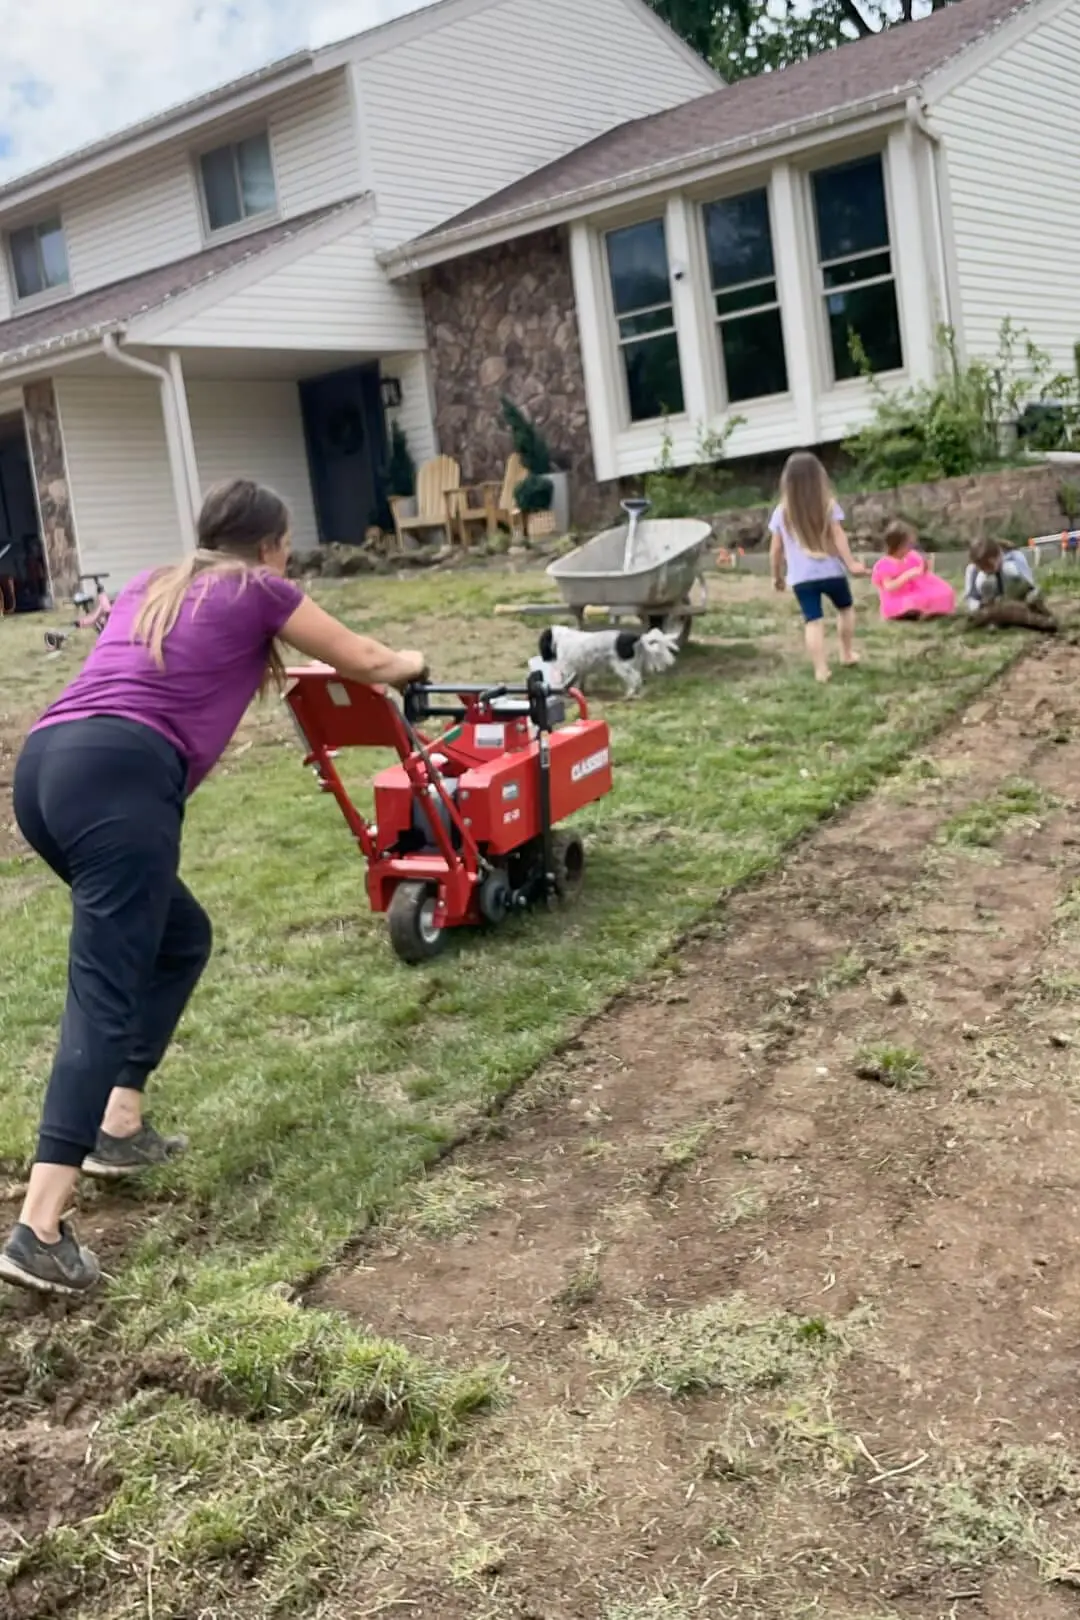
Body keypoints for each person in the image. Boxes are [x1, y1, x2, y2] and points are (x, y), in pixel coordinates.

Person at [1, 479, 427, 1298]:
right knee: (103, 990)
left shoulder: (152, 584)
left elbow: (205, 653)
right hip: (122, 779)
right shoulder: (262, 588)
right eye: (287, 544)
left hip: (49, 767)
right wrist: (414, 663)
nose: (288, 557)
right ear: (269, 545)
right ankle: (39, 1228)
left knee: (178, 937)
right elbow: (369, 661)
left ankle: (118, 1123)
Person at [769, 451, 869, 682]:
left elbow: (775, 550)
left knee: (813, 621)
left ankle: (821, 669)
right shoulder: (828, 506)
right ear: (819, 477)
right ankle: (846, 653)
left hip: (802, 578)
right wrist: (851, 563)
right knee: (845, 609)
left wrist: (777, 577)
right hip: (831, 571)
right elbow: (839, 537)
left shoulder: (781, 512)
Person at [963, 538, 1057, 632]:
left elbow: (1029, 585)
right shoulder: (973, 569)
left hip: (1016, 601)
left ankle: (1040, 619)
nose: (987, 570)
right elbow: (971, 598)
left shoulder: (1015, 556)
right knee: (985, 580)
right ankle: (997, 619)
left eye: (989, 566)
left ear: (997, 555)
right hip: (990, 605)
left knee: (1009, 570)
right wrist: (979, 606)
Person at [871, 521, 956, 621]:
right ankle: (911, 613)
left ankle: (930, 611)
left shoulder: (912, 556)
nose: (911, 546)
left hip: (917, 591)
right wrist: (907, 575)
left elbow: (922, 574)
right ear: (898, 545)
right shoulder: (885, 564)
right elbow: (889, 586)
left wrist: (923, 568)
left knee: (945, 592)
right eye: (908, 544)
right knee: (911, 603)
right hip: (898, 598)